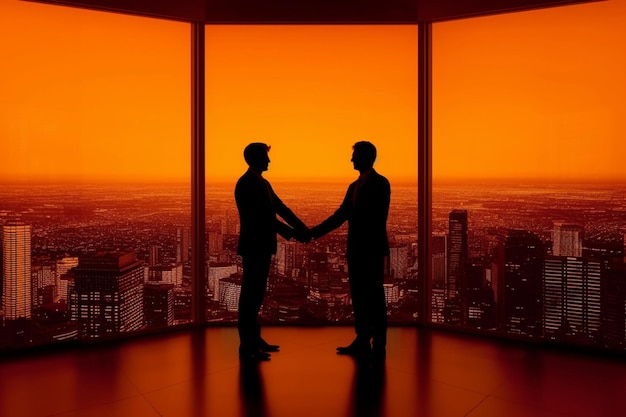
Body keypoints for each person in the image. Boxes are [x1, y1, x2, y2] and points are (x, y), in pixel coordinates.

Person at [310, 141, 390, 359]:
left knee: (373, 296)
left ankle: (379, 343)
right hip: (357, 249)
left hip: (370, 249)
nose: (351, 160)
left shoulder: (380, 183)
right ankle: (363, 339)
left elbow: (368, 218)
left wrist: (312, 233)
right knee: (360, 296)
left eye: (354, 155)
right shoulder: (354, 187)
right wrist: (314, 233)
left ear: (366, 157)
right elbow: (341, 215)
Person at [235, 142, 309, 361]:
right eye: (265, 157)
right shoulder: (248, 183)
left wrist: (301, 228)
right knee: (251, 296)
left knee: (255, 295)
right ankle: (247, 345)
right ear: (255, 158)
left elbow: (280, 208)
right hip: (255, 246)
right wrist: (298, 232)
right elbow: (266, 218)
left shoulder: (261, 183)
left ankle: (253, 340)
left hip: (260, 245)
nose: (269, 161)